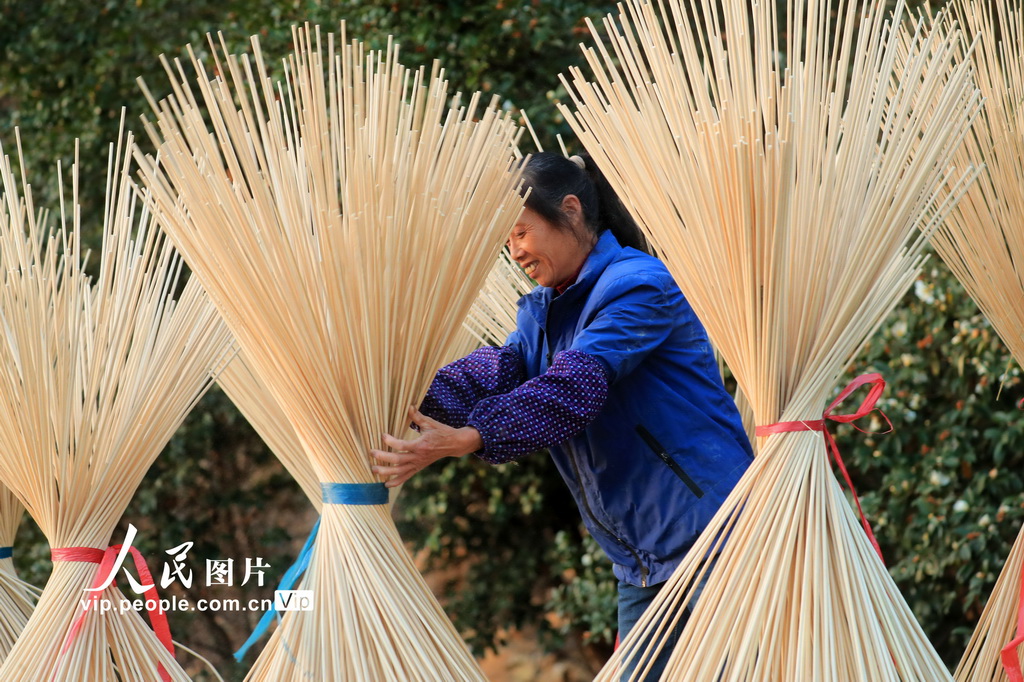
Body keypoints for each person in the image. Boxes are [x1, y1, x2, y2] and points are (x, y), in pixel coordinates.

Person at [370, 151, 753, 678]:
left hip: (715, 537)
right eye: (508, 241)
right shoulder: (546, 312)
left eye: (521, 232)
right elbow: (492, 372)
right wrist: (397, 403)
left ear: (570, 210)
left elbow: (574, 387)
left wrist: (473, 436)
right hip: (643, 562)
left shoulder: (639, 285)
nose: (515, 251)